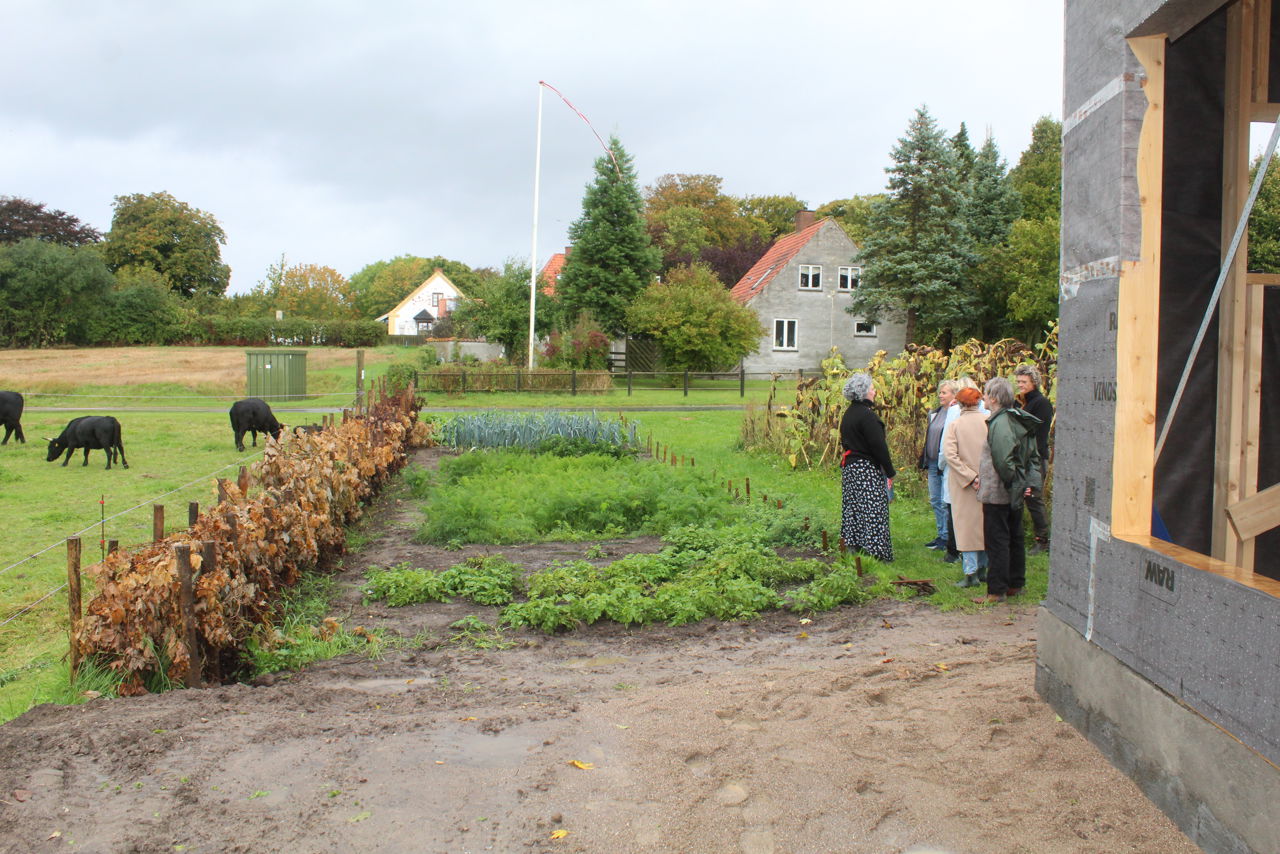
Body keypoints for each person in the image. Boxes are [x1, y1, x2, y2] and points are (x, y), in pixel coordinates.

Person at [973, 377, 1042, 604]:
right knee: (1015, 536)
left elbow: (1003, 461)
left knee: (998, 539)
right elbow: (1032, 455)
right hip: (1013, 489)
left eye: (985, 394)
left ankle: (996, 590)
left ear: (993, 398)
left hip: (999, 491)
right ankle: (1015, 583)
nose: (982, 397)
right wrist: (1024, 485)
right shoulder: (1015, 418)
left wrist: (1013, 484)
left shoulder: (1000, 423)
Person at [839, 372, 895, 562]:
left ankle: (854, 544)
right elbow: (878, 446)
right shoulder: (867, 416)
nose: (874, 391)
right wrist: (889, 471)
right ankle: (877, 551)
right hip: (865, 469)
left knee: (853, 507)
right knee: (874, 508)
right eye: (872, 388)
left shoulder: (849, 413)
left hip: (851, 468)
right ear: (863, 392)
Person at [941, 387, 989, 587]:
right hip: (987, 482)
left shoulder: (955, 425)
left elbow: (950, 455)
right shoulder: (989, 423)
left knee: (966, 528)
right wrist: (983, 477)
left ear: (959, 404)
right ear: (978, 402)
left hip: (963, 485)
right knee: (985, 527)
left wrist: (970, 477)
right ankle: (984, 569)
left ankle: (970, 574)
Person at [1015, 364, 1054, 553]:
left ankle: (1043, 539)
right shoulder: (1021, 403)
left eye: (1024, 382)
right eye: (1018, 381)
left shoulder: (1041, 404)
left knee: (1033, 498)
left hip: (1035, 458)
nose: (1020, 385)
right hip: (1021, 457)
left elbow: (1038, 433)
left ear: (1034, 383)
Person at [919, 380, 957, 550]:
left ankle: (948, 537)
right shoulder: (936, 413)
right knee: (935, 499)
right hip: (933, 462)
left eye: (945, 392)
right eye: (940, 392)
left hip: (946, 463)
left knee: (944, 500)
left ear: (954, 395)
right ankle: (941, 534)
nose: (941, 395)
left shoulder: (955, 414)